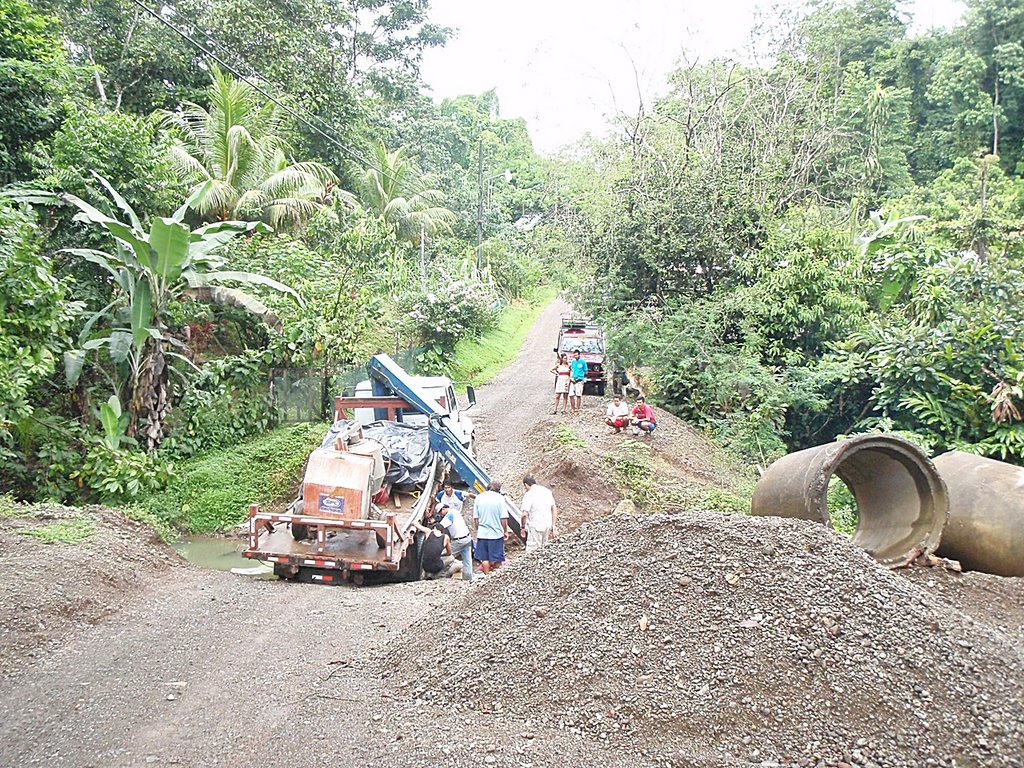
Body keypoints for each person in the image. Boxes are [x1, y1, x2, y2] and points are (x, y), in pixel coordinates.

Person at [472, 479, 508, 574]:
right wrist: (505, 531)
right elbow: (503, 518)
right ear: (498, 489)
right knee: (497, 559)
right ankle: (496, 577)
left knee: (484, 558)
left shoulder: (478, 498)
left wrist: (478, 530)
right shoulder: (500, 498)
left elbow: (476, 519)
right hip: (496, 534)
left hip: (482, 534)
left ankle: (487, 576)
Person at [437, 503, 475, 581]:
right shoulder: (455, 511)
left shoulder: (449, 515)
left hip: (459, 540)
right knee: (467, 561)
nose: (441, 515)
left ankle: (441, 577)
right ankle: (468, 580)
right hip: (467, 538)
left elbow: (440, 527)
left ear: (443, 509)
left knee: (444, 555)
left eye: (440, 513)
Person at [520, 475, 557, 551]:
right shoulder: (547, 491)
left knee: (532, 552)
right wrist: (553, 525)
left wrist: (523, 527)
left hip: (535, 526)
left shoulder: (529, 494)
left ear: (526, 484)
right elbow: (554, 508)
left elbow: (524, 514)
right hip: (547, 526)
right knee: (544, 552)